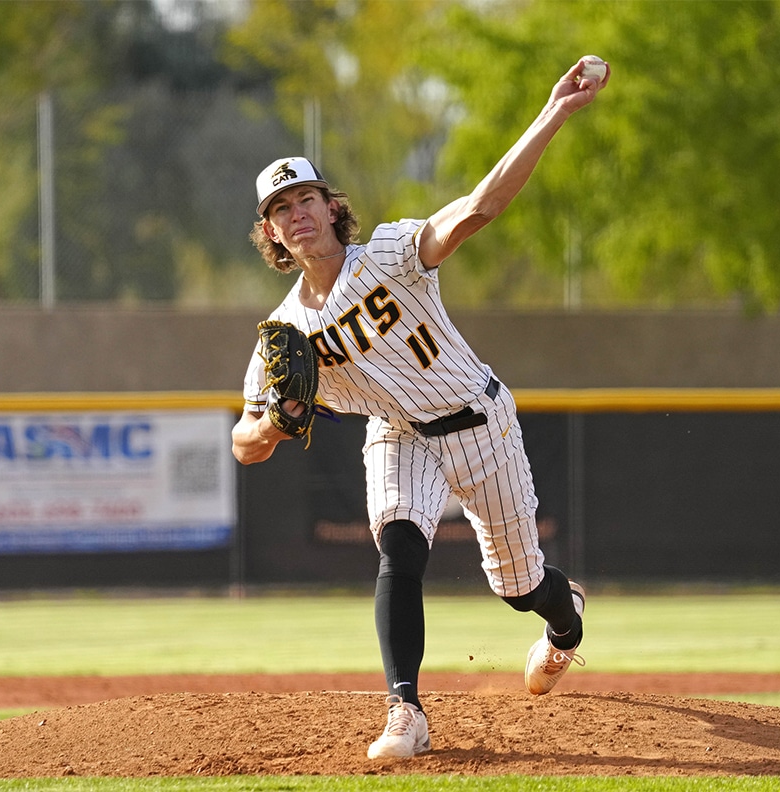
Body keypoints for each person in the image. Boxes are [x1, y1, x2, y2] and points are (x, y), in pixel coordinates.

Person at [231, 56, 609, 760]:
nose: (297, 212)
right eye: (280, 209)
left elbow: (479, 207)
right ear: (273, 236)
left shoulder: (392, 254)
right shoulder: (284, 335)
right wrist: (274, 424)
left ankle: (566, 625)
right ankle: (405, 710)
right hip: (399, 434)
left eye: (306, 198)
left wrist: (554, 111)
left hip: (480, 421)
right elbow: (242, 443)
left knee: (520, 586)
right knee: (398, 546)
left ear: (330, 206)